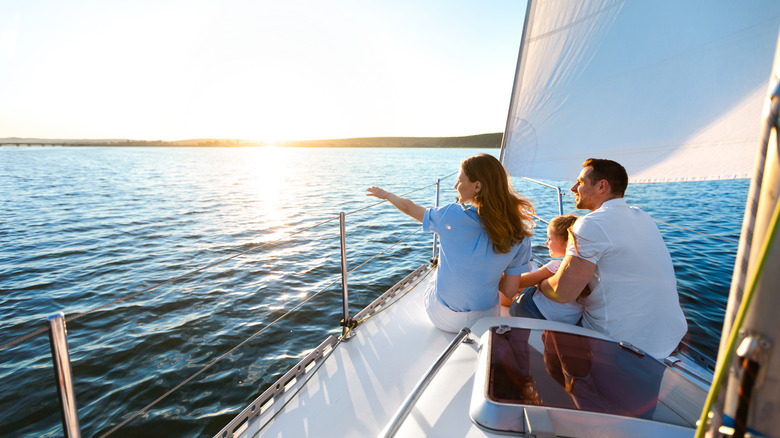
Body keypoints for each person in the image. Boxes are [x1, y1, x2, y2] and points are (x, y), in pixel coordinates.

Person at [366, 153, 535, 333]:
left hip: (444, 318)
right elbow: (510, 292)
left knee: (437, 268)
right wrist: (487, 274)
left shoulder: (450, 215)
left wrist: (386, 195)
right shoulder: (520, 234)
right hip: (486, 320)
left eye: (460, 181)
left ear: (477, 186)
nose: (455, 186)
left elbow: (409, 207)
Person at [537, 158, 687, 359]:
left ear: (602, 186)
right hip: (669, 338)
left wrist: (539, 283)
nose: (573, 188)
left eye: (580, 182)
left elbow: (562, 292)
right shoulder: (643, 216)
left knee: (526, 304)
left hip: (619, 341)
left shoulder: (590, 224)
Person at [506, 214, 589, 325]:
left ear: (566, 243)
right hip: (565, 322)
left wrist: (500, 274)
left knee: (517, 289)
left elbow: (519, 282)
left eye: (549, 239)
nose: (546, 243)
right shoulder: (588, 270)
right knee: (532, 285)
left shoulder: (555, 267)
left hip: (529, 311)